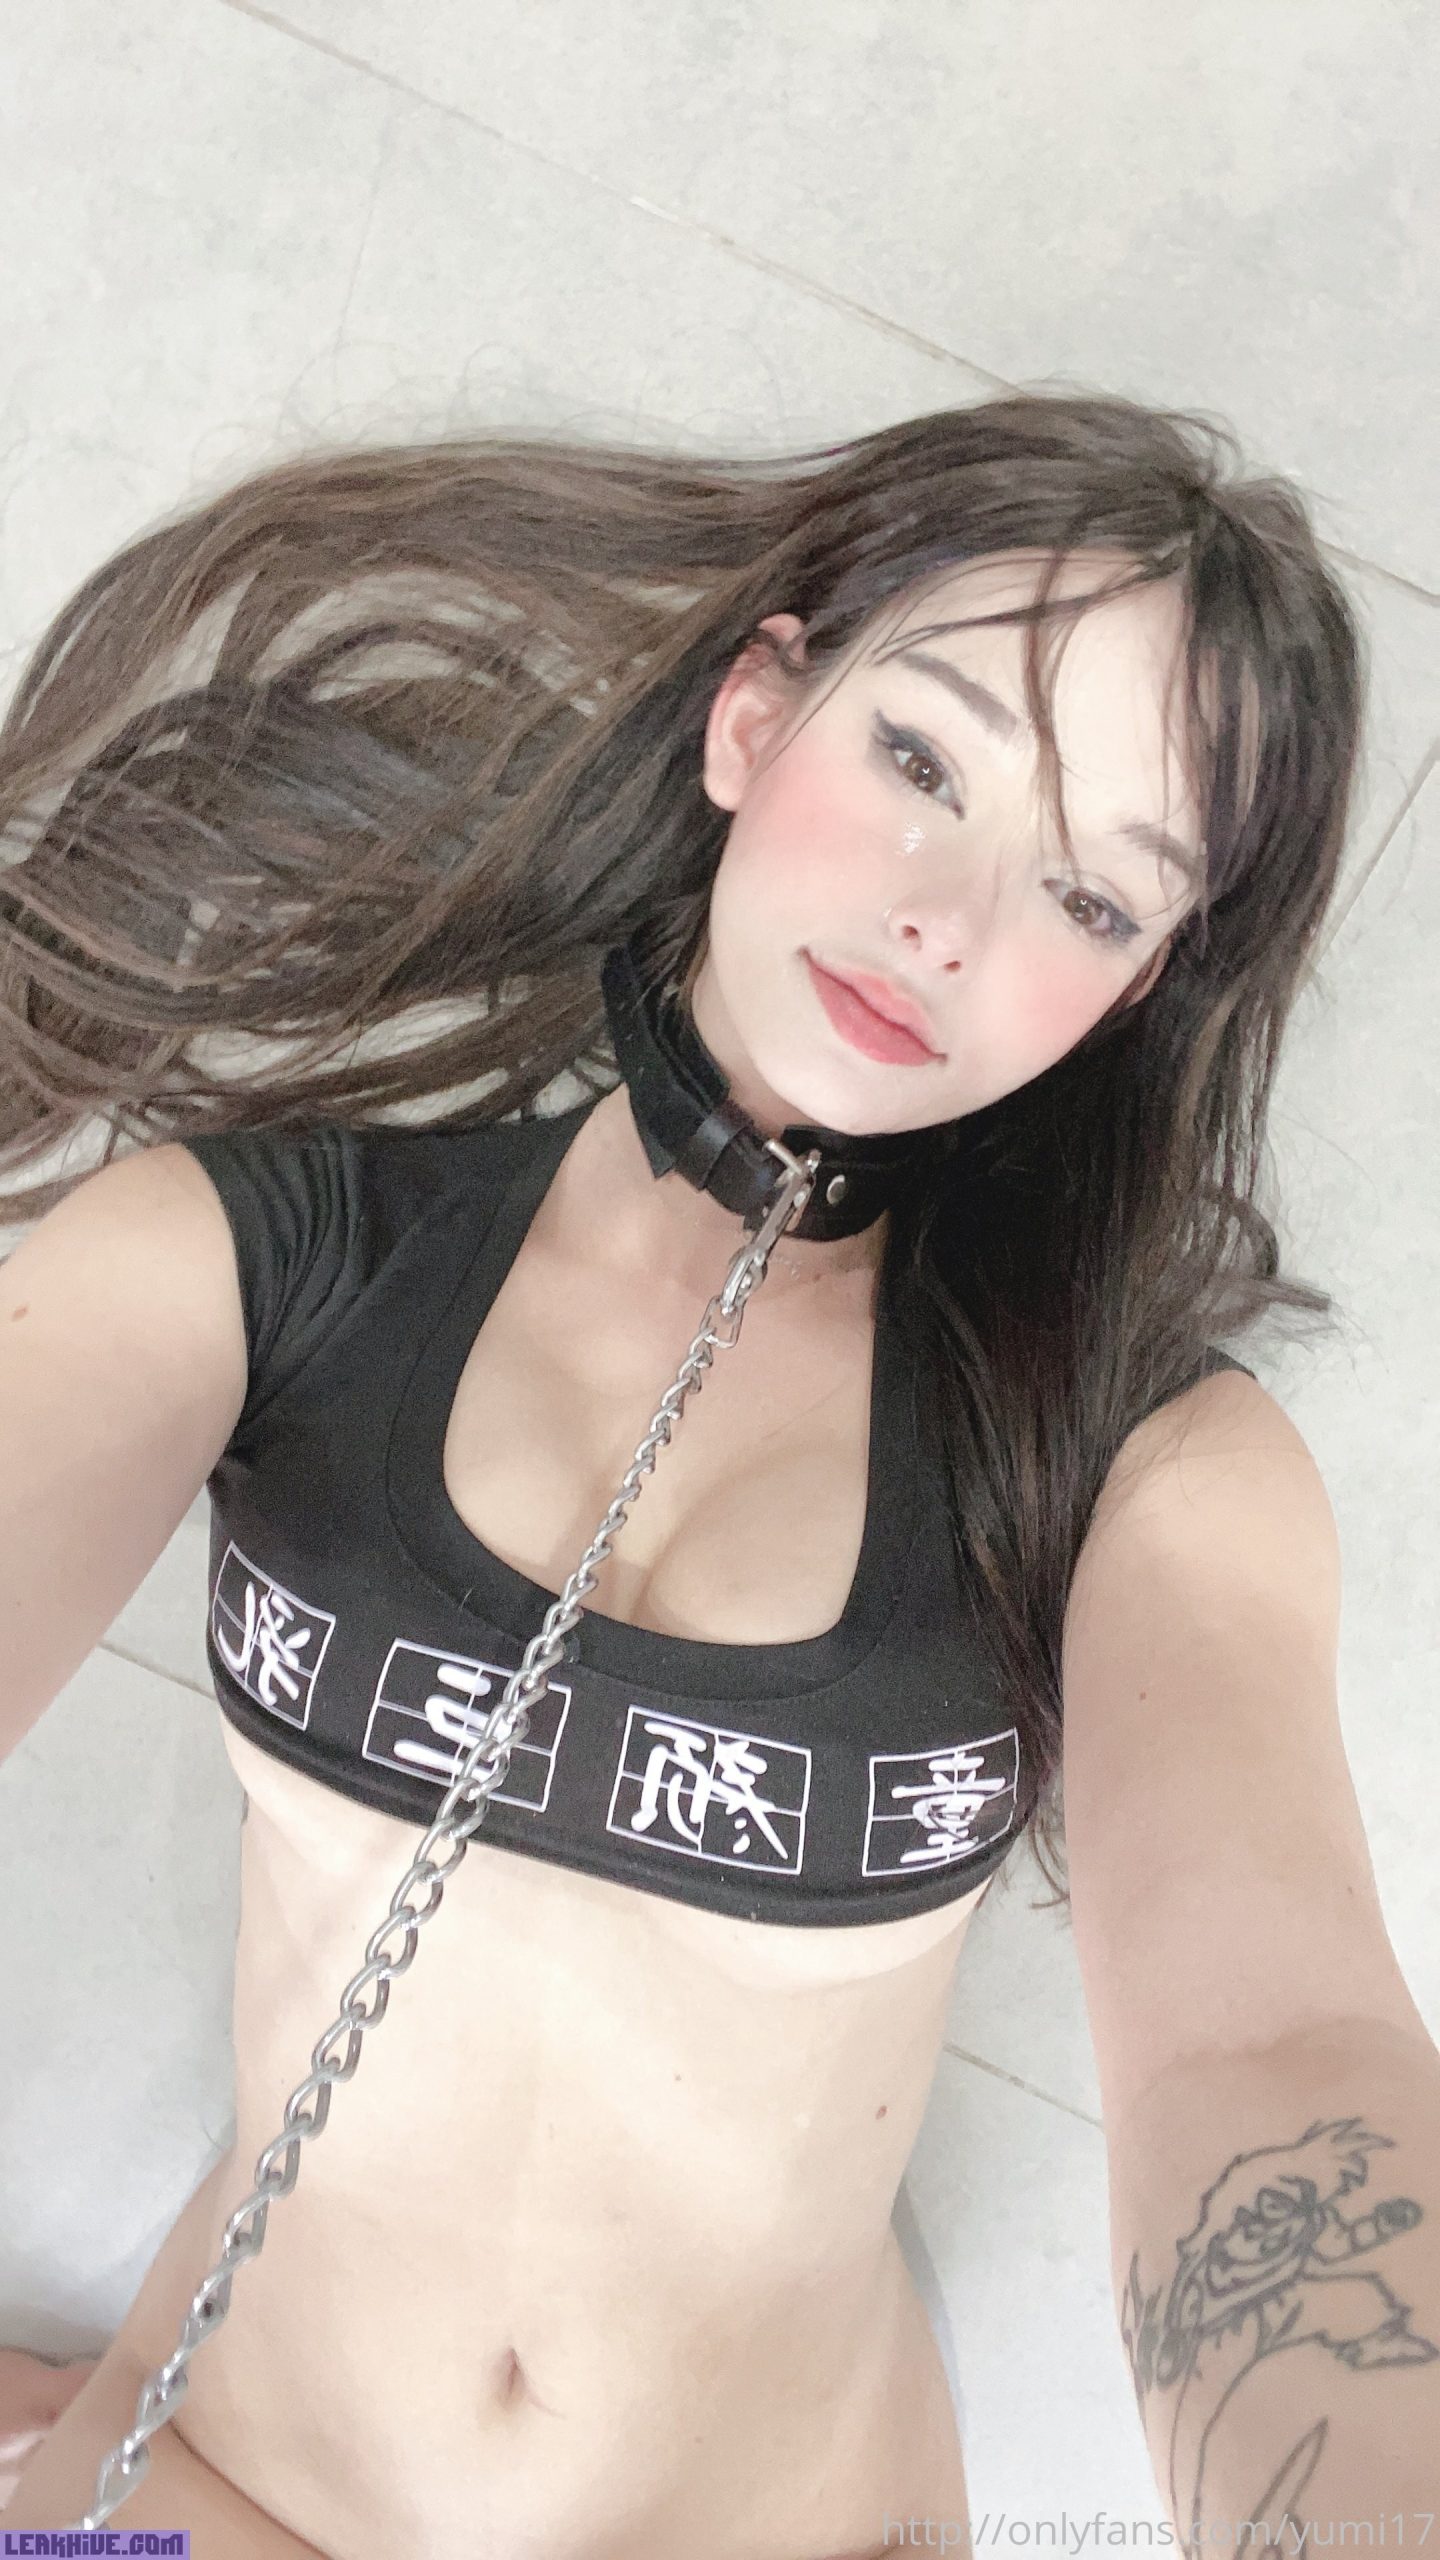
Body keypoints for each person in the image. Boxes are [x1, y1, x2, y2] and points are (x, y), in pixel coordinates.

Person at [1, 392, 1435, 2557]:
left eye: (1085, 891)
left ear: (1139, 987)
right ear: (758, 714)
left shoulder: (1147, 1471)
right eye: (924, 760)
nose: (949, 919)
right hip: (210, 2487)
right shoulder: (246, 1258)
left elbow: (1274, 2045)